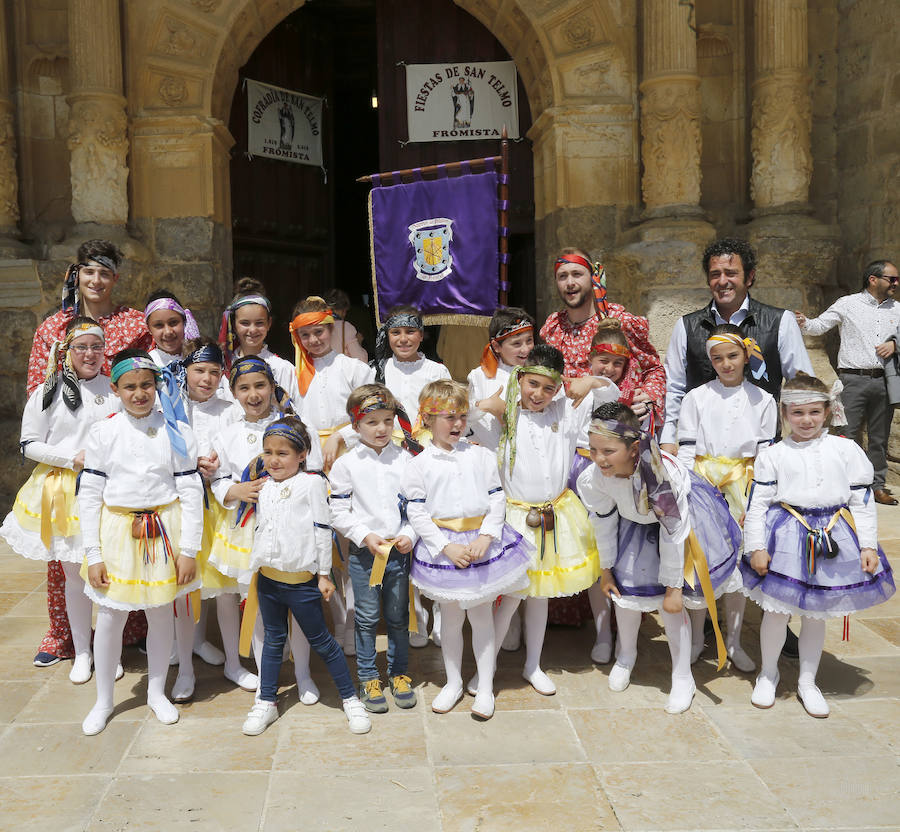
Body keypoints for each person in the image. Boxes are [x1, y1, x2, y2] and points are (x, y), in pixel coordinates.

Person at [26, 239, 152, 668]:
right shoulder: (52, 328)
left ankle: (130, 631)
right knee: (64, 558)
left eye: (105, 272)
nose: (96, 280)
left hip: (119, 456)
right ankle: (66, 638)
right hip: (67, 460)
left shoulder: (135, 323)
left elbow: (156, 371)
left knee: (120, 546)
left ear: (115, 278)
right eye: (88, 272)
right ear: (75, 275)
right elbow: (37, 392)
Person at [740, 373, 895, 717]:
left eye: (814, 412)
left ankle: (808, 682)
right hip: (786, 536)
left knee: (815, 614)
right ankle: (769, 673)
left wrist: (868, 545)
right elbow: (758, 506)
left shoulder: (845, 449)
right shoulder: (773, 454)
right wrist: (756, 547)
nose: (806, 420)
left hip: (833, 536)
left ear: (828, 411)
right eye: (797, 413)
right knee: (777, 612)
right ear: (784, 414)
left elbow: (861, 501)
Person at [578, 402, 742, 713]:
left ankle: (682, 675)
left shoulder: (663, 480)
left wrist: (673, 588)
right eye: (593, 449)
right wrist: (608, 569)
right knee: (625, 596)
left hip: (676, 527)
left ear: (633, 448)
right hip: (632, 526)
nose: (599, 458)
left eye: (608, 451)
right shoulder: (594, 478)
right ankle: (626, 655)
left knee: (671, 607)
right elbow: (603, 519)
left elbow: (673, 533)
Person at [481, 345, 619, 694]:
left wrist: (588, 381)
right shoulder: (504, 418)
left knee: (540, 596)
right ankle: (486, 670)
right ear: (519, 378)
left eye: (548, 387)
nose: (539, 394)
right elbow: (463, 416)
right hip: (515, 518)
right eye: (532, 384)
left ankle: (533, 665)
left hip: (555, 515)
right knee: (511, 598)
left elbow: (611, 394)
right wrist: (488, 406)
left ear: (558, 388)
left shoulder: (567, 412)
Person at [78, 349, 203, 735]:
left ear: (157, 385)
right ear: (115, 389)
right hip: (118, 532)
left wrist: (189, 549)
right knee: (112, 615)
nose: (139, 393)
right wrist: (93, 553)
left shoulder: (177, 431)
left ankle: (156, 692)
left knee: (161, 610)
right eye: (129, 386)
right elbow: (90, 493)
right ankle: (104, 700)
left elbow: (190, 489)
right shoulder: (103, 432)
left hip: (165, 530)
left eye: (146, 384)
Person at [540, 247, 666, 628]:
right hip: (572, 440)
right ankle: (574, 615)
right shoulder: (552, 327)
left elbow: (653, 367)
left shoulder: (620, 321)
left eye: (576, 275)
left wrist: (649, 395)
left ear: (592, 279)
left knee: (614, 527)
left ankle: (619, 617)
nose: (570, 284)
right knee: (577, 526)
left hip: (615, 441)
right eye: (563, 277)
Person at [402, 380, 532, 719]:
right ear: (427, 419)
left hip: (481, 546)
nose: (457, 424)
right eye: (448, 417)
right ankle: (454, 682)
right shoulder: (418, 464)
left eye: (462, 415)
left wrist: (486, 536)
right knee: (450, 619)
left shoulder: (481, 455)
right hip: (445, 552)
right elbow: (416, 510)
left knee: (481, 617)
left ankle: (485, 686)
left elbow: (495, 496)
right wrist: (444, 547)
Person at [1, 318, 120, 684]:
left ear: (104, 351)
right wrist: (73, 459)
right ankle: (82, 651)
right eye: (81, 347)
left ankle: (107, 649)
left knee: (107, 572)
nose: (89, 354)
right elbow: (29, 443)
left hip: (109, 491)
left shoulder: (114, 388)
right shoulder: (48, 392)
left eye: (96, 347)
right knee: (74, 574)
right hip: (64, 492)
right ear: (67, 352)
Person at [239, 416, 371, 737]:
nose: (273, 459)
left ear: (302, 455)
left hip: (301, 583)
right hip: (268, 581)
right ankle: (266, 701)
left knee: (322, 641)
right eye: (268, 452)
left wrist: (324, 574)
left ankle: (350, 698)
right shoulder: (264, 486)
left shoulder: (312, 483)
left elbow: (322, 531)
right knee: (272, 641)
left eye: (282, 453)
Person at [209, 355, 320, 702]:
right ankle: (263, 671)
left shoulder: (297, 426)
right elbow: (218, 477)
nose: (253, 394)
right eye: (244, 388)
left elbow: (315, 472)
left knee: (299, 606)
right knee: (255, 602)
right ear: (234, 392)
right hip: (245, 530)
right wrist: (233, 490)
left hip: (292, 529)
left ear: (273, 387)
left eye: (260, 385)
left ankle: (303, 674)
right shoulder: (227, 434)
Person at [676, 325, 777, 671]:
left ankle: (733, 640)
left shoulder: (763, 400)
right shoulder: (696, 397)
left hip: (742, 484)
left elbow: (765, 453)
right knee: (700, 559)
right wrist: (688, 490)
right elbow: (687, 448)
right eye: (717, 358)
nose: (726, 364)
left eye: (732, 356)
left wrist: (757, 500)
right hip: (703, 484)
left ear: (746, 355)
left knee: (736, 564)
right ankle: (695, 639)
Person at [661, 237, 812, 452]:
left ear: (749, 277)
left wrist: (802, 441)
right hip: (702, 453)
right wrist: (667, 438)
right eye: (715, 274)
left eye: (731, 273)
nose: (722, 281)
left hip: (761, 448)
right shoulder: (686, 326)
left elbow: (801, 384)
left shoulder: (780, 321)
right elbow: (674, 387)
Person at [289, 295, 374, 655]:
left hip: (350, 459)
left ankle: (354, 621)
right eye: (306, 335)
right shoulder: (294, 376)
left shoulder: (353, 369)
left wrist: (343, 435)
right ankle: (338, 616)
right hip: (312, 466)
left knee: (350, 542)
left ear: (332, 329)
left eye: (320, 332)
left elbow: (373, 408)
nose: (314, 341)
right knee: (324, 544)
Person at [329, 384, 420, 713]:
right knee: (366, 618)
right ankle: (368, 677)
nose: (381, 428)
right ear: (355, 426)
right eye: (371, 422)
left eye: (387, 420)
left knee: (397, 616)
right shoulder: (346, 464)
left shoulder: (407, 459)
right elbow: (338, 511)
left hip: (399, 553)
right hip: (366, 555)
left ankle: (398, 674)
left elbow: (418, 504)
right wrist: (364, 535)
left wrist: (410, 532)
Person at [169, 338, 245, 702]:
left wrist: (218, 467)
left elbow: (240, 453)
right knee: (187, 590)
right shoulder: (172, 406)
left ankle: (234, 662)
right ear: (185, 370)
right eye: (200, 370)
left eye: (215, 372)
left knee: (226, 590)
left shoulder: (231, 409)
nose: (207, 378)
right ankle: (185, 668)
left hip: (220, 506)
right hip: (184, 508)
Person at [371, 305, 450, 646]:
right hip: (393, 454)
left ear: (422, 334)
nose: (403, 339)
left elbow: (445, 409)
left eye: (410, 332)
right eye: (395, 333)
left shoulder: (437, 368)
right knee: (405, 528)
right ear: (387, 336)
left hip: (429, 451)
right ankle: (416, 609)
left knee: (435, 524)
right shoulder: (377, 369)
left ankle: (443, 607)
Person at [795, 260, 900, 505]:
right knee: (847, 435)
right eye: (891, 279)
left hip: (885, 381)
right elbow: (818, 326)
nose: (896, 283)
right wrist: (803, 322)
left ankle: (877, 486)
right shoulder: (848, 303)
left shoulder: (897, 309)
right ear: (873, 279)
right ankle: (845, 485)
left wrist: (895, 345)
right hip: (853, 380)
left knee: (879, 438)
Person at [218, 277, 300, 404]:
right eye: (245, 323)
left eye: (259, 323)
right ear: (233, 325)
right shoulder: (222, 368)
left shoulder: (282, 369)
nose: (252, 330)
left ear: (269, 323)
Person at [144, 290, 201, 367]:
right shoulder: (147, 365)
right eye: (159, 325)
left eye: (173, 322)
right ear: (149, 329)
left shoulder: (202, 358)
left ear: (184, 322)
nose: (168, 332)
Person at [324, 288, 368, 362]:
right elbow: (361, 359)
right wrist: (359, 342)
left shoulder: (317, 326)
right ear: (343, 310)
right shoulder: (345, 327)